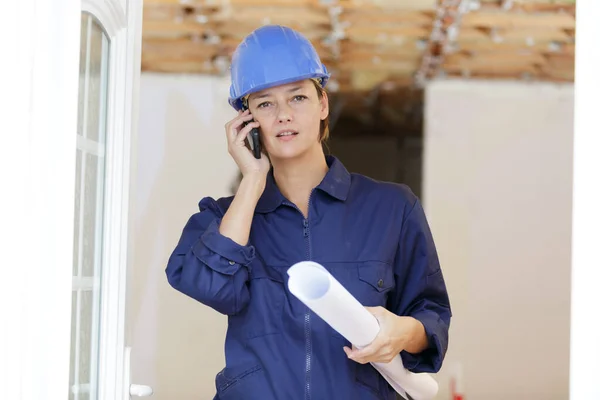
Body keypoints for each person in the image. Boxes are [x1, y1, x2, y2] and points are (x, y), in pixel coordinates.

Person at [165, 25, 451, 400]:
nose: (283, 114)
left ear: (323, 105)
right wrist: (252, 180)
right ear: (246, 123)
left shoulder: (392, 208)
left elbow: (431, 315)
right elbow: (211, 286)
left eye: (297, 97)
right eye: (265, 103)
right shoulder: (224, 219)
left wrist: (402, 332)